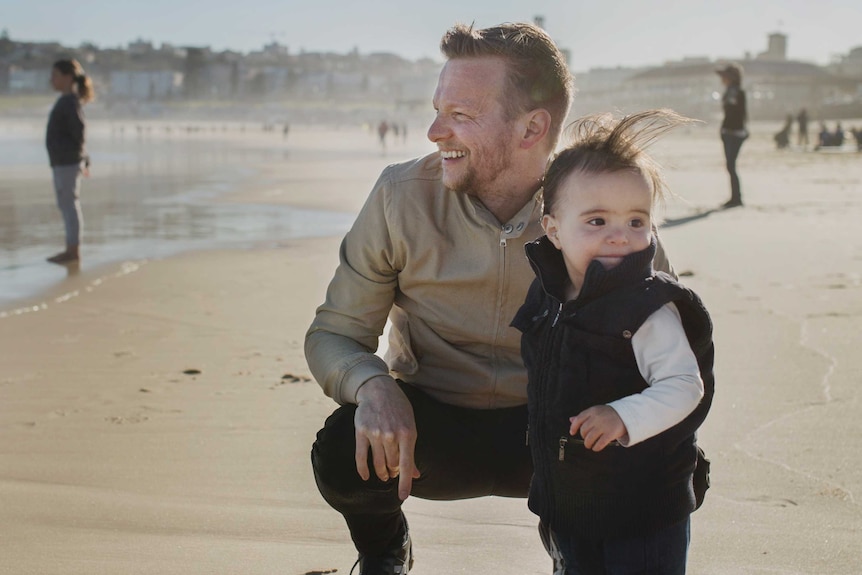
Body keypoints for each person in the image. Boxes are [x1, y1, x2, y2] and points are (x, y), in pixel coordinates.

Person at [305, 22, 674, 575]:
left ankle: (575, 540)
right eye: (437, 109)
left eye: (460, 115)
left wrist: (631, 425)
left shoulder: (603, 208)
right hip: (433, 429)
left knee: (677, 463)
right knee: (342, 452)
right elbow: (334, 333)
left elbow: (664, 352)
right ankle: (386, 550)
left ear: (532, 127)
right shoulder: (398, 198)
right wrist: (373, 384)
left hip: (561, 433)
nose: (434, 131)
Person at [512, 109, 715, 574]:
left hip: (643, 505)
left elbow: (685, 383)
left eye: (636, 221)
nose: (620, 237)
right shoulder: (549, 296)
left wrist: (624, 416)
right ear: (553, 229)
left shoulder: (646, 308)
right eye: (597, 221)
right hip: (572, 494)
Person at [45, 58, 94, 264]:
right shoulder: (66, 100)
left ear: (67, 77)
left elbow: (79, 132)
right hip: (62, 162)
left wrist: (82, 159)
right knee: (66, 205)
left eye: (55, 75)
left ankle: (73, 250)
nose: (52, 80)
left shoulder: (69, 102)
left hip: (67, 162)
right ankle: (71, 248)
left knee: (69, 205)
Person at [716, 63, 747, 208]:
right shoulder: (732, 91)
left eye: (724, 77)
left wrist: (726, 129)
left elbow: (737, 115)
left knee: (731, 166)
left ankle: (736, 198)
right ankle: (735, 197)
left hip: (733, 133)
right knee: (730, 166)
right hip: (732, 132)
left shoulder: (735, 92)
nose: (722, 79)